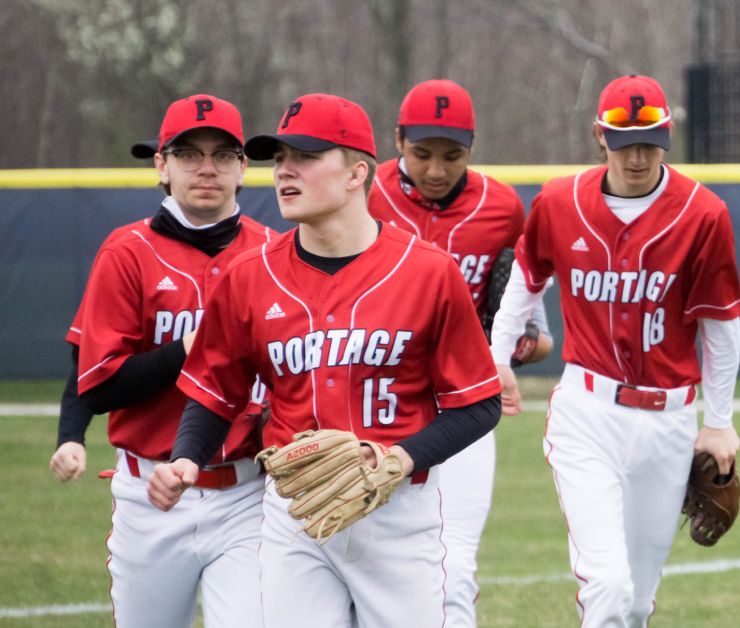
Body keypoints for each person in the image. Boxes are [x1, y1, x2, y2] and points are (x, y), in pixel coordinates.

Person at [145, 93, 503, 628]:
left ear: (359, 172)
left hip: (397, 514)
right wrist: (186, 458)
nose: (286, 170)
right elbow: (214, 390)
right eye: (279, 157)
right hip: (295, 511)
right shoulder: (249, 275)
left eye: (307, 156)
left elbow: (479, 404)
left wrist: (401, 459)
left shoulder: (428, 272)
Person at [488, 74, 740, 627]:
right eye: (625, 142)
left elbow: (721, 324)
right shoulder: (559, 201)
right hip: (589, 413)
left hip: (670, 420)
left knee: (636, 600)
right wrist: (497, 358)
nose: (638, 155)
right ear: (599, 136)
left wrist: (719, 421)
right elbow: (526, 282)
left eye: (651, 141)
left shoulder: (703, 214)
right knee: (606, 584)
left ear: (668, 135)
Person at [47, 94, 275, 628]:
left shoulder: (273, 253)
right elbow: (96, 387)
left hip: (248, 493)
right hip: (150, 495)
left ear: (243, 168)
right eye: (189, 153)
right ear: (161, 164)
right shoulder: (126, 252)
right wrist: (186, 349)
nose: (206, 168)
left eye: (222, 155)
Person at [367, 78, 553, 627]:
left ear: (472, 147)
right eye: (421, 153)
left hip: (463, 406)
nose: (435, 169)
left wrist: (517, 346)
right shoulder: (363, 194)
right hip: (376, 405)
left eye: (453, 155)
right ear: (397, 140)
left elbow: (534, 334)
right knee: (366, 568)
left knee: (453, 572)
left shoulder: (502, 208)